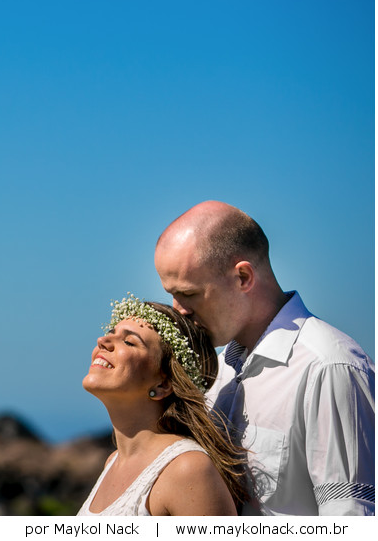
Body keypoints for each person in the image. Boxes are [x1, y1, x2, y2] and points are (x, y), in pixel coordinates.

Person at [154, 201, 376, 515]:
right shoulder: (217, 377)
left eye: (189, 294)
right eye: (171, 294)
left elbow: (351, 519)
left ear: (243, 277)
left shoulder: (329, 367)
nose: (179, 310)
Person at [79, 294, 249, 516]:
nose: (102, 341)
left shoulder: (187, 470)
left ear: (163, 384)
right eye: (111, 333)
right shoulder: (112, 462)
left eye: (129, 341)